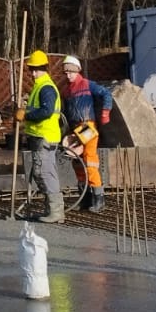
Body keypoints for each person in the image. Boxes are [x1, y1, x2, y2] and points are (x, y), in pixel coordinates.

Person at [17, 50, 64, 222]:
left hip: (45, 136)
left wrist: (27, 115)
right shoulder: (39, 87)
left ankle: (56, 211)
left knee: (44, 172)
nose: (33, 73)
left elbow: (46, 111)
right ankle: (51, 209)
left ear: (43, 68)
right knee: (41, 172)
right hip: (39, 136)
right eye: (32, 69)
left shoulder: (46, 88)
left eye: (36, 69)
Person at [60, 55, 111, 213]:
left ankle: (99, 200)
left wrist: (105, 112)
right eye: (66, 72)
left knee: (90, 162)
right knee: (78, 163)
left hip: (88, 126)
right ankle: (85, 198)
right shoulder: (66, 91)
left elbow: (106, 94)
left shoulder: (88, 85)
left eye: (70, 72)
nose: (68, 75)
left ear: (77, 71)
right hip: (75, 128)